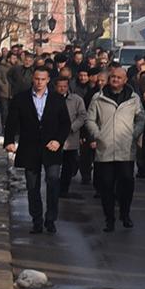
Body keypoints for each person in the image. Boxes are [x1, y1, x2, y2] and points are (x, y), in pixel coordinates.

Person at [4, 66, 71, 235]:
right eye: (37, 79)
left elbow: (65, 123)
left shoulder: (57, 99)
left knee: (53, 181)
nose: (39, 82)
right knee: (32, 186)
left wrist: (58, 140)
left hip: (51, 147)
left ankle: (51, 218)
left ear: (48, 80)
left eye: (43, 79)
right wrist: (9, 141)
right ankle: (36, 220)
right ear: (32, 79)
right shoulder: (21, 98)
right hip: (30, 147)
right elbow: (12, 121)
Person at [82, 65, 143, 230]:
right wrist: (98, 134)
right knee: (106, 185)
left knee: (127, 183)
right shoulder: (98, 97)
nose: (115, 79)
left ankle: (125, 213)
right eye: (112, 77)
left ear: (125, 80)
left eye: (118, 77)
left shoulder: (133, 98)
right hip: (105, 149)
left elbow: (141, 118)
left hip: (125, 149)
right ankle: (109, 218)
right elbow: (90, 120)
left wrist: (134, 133)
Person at [55, 70, 87, 199]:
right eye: (60, 86)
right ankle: (53, 187)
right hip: (54, 138)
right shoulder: (50, 99)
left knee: (68, 167)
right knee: (54, 167)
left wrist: (71, 127)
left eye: (64, 86)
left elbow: (83, 116)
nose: (62, 89)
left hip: (70, 139)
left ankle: (64, 189)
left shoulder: (76, 99)